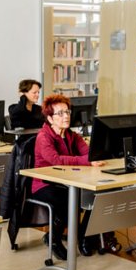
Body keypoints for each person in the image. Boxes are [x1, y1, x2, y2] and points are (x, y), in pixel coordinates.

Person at [30, 94, 105, 260]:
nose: (66, 116)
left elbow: (88, 154)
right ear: (50, 118)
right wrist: (86, 161)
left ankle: (84, 237)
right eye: (61, 113)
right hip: (44, 185)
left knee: (96, 197)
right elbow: (55, 160)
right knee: (70, 201)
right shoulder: (44, 137)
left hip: (67, 183)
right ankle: (53, 239)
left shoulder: (72, 135)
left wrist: (95, 157)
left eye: (68, 112)